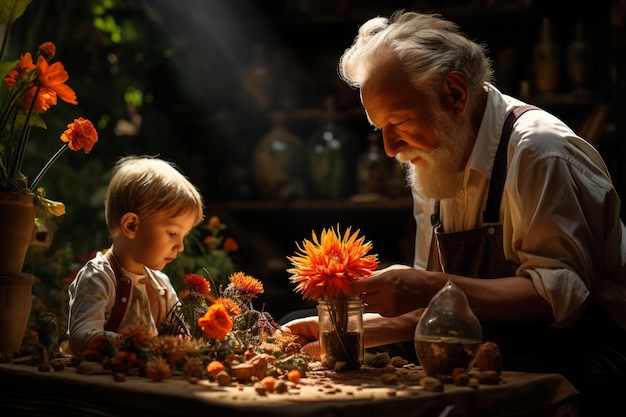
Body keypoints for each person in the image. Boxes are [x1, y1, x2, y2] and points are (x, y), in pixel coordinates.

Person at [283, 10, 626, 415]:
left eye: (399, 121)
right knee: (317, 325)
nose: (392, 148)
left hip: (585, 346)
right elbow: (441, 309)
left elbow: (560, 299)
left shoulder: (539, 151)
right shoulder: (434, 157)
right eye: (380, 128)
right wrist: (359, 330)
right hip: (484, 329)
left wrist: (426, 286)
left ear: (456, 93)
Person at [67, 155, 204, 355]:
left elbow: (180, 335)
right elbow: (80, 337)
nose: (180, 246)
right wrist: (134, 344)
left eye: (184, 236)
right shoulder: (99, 277)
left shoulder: (162, 286)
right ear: (132, 225)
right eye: (173, 233)